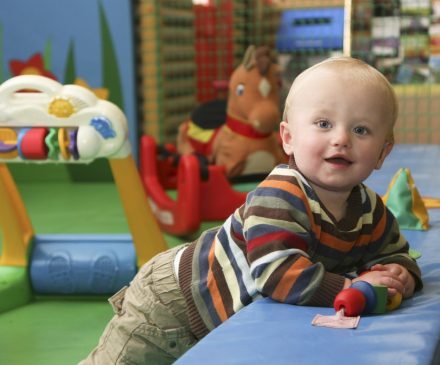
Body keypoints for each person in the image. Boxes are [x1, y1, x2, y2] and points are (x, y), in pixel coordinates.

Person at [79, 57, 423, 365]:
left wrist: (400, 274)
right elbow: (278, 273)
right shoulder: (281, 195)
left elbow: (394, 252)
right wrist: (354, 285)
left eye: (361, 130)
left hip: (218, 316)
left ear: (382, 153)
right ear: (287, 138)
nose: (341, 139)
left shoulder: (370, 210)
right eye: (323, 124)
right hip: (173, 305)